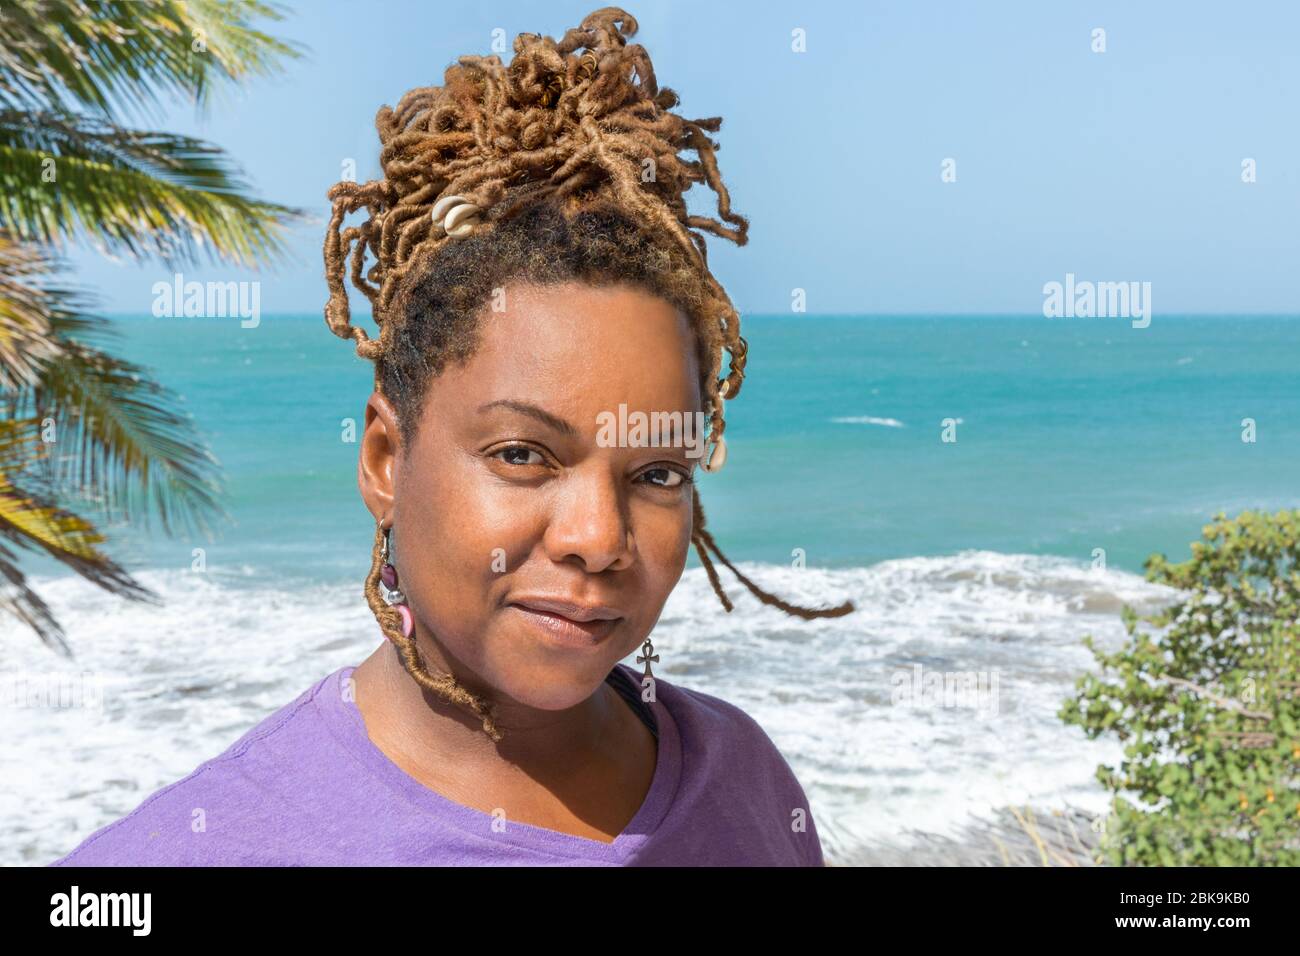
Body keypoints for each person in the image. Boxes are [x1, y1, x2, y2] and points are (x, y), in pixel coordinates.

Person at [50, 5, 854, 867]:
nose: (597, 540)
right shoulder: (190, 855)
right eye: (521, 456)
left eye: (656, 471)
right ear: (386, 462)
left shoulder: (742, 785)